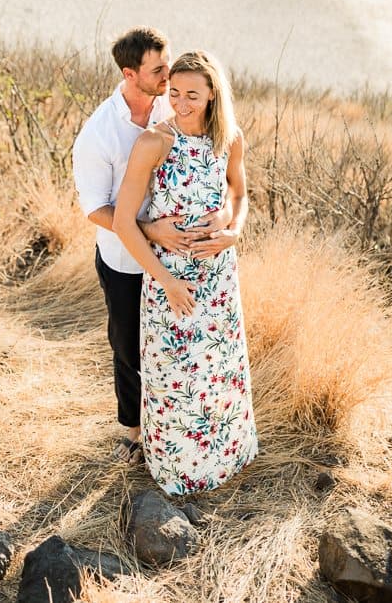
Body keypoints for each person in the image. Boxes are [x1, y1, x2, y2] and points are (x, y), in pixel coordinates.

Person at [112, 49, 257, 496]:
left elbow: (240, 194)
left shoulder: (229, 139)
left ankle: (223, 460)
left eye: (192, 94)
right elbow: (122, 221)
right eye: (174, 92)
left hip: (218, 281)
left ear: (213, 94)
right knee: (175, 379)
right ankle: (177, 470)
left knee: (216, 371)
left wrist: (233, 230)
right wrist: (167, 280)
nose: (181, 102)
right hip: (168, 279)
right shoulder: (155, 143)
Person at [73, 27, 220, 464]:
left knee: (172, 344)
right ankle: (134, 432)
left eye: (168, 62)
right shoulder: (98, 135)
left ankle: (175, 426)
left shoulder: (169, 100)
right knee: (127, 344)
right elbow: (95, 209)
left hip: (178, 255)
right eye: (159, 69)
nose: (168, 73)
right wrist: (150, 230)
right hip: (123, 258)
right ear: (130, 74)